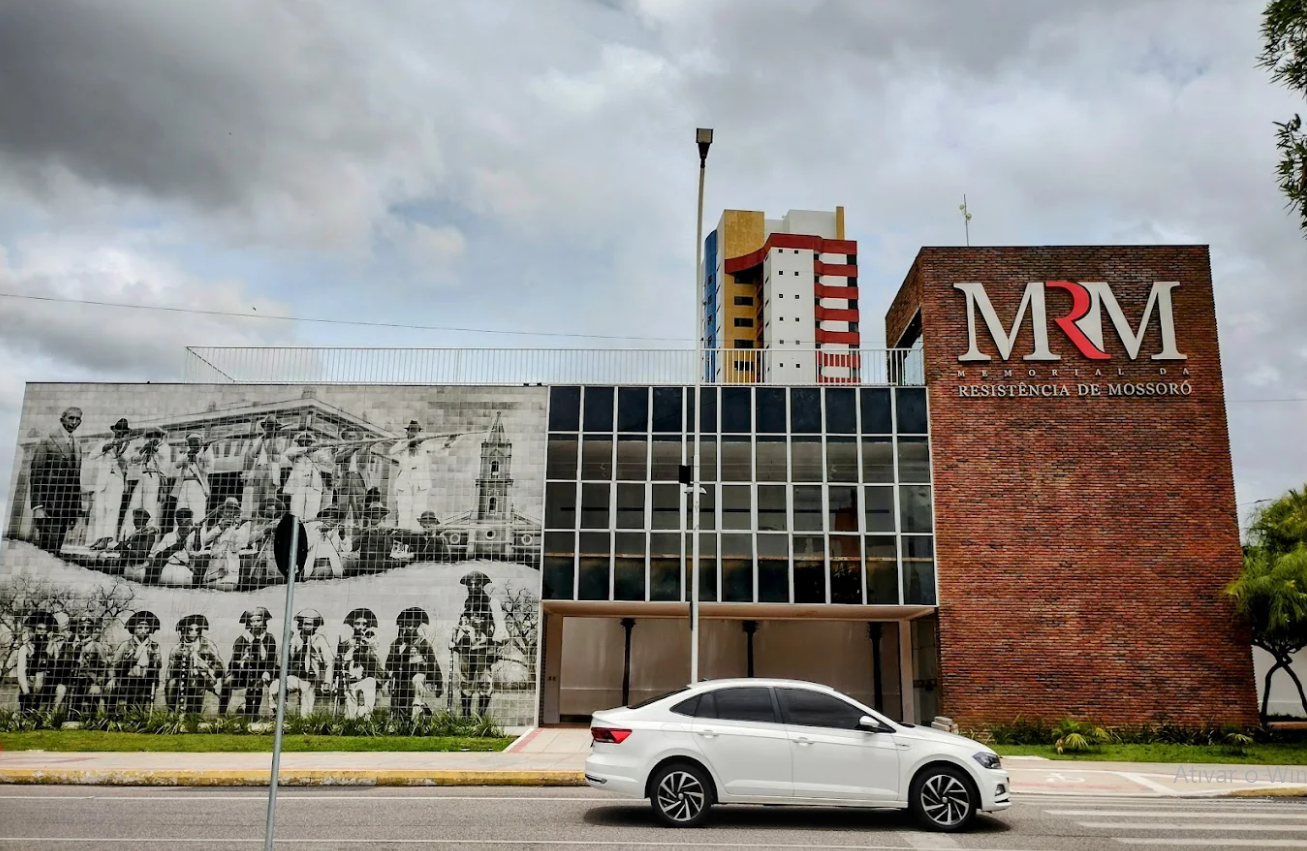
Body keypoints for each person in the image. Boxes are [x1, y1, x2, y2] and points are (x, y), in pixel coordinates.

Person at [450, 571, 507, 718]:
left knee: (485, 682)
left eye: (477, 584)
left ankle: (480, 718)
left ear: (483, 585)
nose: (473, 587)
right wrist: (452, 639)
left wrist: (496, 644)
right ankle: (466, 715)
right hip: (465, 648)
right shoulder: (463, 604)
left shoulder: (491, 603)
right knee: (466, 681)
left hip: (484, 647)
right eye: (470, 584)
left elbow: (500, 625)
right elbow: (455, 624)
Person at [29, 407, 84, 552]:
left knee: (55, 550)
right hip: (49, 506)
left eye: (78, 419)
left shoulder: (77, 446)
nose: (74, 422)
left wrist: (75, 510)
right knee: (46, 550)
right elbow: (36, 474)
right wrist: (37, 506)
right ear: (62, 419)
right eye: (71, 418)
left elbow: (75, 480)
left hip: (66, 509)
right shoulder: (48, 440)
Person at [386, 608, 442, 719]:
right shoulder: (397, 643)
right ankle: (401, 719)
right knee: (401, 706)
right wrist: (402, 652)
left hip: (419, 675)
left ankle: (416, 719)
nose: (411, 628)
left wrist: (438, 682)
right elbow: (390, 663)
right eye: (408, 625)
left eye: (414, 625)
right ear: (404, 626)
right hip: (401, 678)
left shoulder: (422, 642)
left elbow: (432, 662)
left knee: (417, 684)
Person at [85, 418, 133, 549]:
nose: (119, 432)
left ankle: (106, 539)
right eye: (117, 429)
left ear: (125, 432)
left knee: (112, 509)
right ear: (114, 430)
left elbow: (129, 462)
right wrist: (109, 446)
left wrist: (120, 450)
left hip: (117, 480)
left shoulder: (128, 445)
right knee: (100, 509)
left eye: (122, 430)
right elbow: (91, 456)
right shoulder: (105, 443)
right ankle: (98, 538)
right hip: (103, 480)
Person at [222, 607, 277, 717]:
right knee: (227, 682)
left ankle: (253, 713)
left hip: (261, 672)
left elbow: (271, 659)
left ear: (264, 621)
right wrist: (242, 660)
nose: (255, 624)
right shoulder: (242, 639)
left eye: (258, 621)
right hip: (243, 672)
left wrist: (267, 671)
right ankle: (221, 713)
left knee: (259, 685)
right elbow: (234, 660)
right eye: (252, 621)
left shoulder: (269, 639)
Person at [277, 609, 333, 717]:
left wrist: (327, 681)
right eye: (303, 623)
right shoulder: (295, 638)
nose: (306, 627)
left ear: (314, 625)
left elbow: (329, 661)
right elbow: (284, 657)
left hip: (310, 677)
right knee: (277, 689)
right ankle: (279, 715)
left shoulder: (319, 639)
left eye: (309, 624)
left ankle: (304, 726)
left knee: (306, 706)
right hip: (294, 675)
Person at [166, 614, 225, 715]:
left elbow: (220, 666)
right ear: (185, 630)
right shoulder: (178, 648)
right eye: (190, 630)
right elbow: (170, 670)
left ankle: (192, 716)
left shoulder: (207, 645)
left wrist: (207, 670)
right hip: (181, 678)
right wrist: (179, 665)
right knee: (171, 684)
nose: (193, 633)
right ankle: (171, 714)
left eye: (196, 630)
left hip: (201, 678)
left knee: (196, 685)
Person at [55, 614, 110, 718]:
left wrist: (98, 681)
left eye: (88, 628)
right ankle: (57, 719)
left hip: (88, 680)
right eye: (81, 627)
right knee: (60, 692)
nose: (84, 630)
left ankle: (91, 719)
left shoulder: (96, 646)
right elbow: (61, 663)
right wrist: (71, 650)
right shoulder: (68, 644)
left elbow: (103, 666)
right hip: (70, 680)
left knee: (95, 692)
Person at [109, 610, 163, 713]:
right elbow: (115, 664)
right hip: (127, 679)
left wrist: (154, 657)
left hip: (146, 680)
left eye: (146, 628)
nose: (143, 630)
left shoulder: (154, 646)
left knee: (140, 697)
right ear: (134, 629)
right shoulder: (126, 645)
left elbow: (159, 665)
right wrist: (133, 657)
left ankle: (137, 717)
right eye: (140, 627)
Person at [335, 608, 383, 718]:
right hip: (351, 679)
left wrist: (367, 646)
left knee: (369, 698)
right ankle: (353, 723)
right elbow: (343, 660)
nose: (360, 627)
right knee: (350, 713)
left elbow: (376, 660)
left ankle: (367, 718)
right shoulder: (347, 643)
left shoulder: (373, 642)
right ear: (353, 625)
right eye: (357, 623)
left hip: (367, 678)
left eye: (363, 624)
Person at [389, 421, 434, 530]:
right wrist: (408, 443)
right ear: (407, 432)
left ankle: (415, 540)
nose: (413, 434)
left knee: (418, 513)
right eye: (411, 431)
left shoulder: (424, 446)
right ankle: (402, 540)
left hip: (421, 482)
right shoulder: (402, 444)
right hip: (405, 481)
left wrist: (449, 441)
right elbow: (391, 451)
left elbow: (439, 449)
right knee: (404, 513)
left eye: (416, 431)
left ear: (419, 433)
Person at [16, 611, 61, 713]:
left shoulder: (52, 647)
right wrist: (25, 690)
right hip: (30, 682)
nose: (42, 632)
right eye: (39, 629)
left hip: (47, 684)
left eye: (45, 629)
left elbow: (57, 664)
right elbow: (21, 670)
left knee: (43, 711)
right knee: (27, 712)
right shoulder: (26, 648)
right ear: (34, 629)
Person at [203, 498, 249, 590]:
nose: (228, 514)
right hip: (213, 570)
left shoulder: (241, 529)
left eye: (232, 511)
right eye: (226, 511)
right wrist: (220, 528)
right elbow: (205, 541)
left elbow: (236, 548)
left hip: (229, 572)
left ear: (236, 513)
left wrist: (236, 530)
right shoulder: (217, 526)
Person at [333, 430, 378, 525]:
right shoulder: (344, 448)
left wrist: (368, 448)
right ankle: (340, 530)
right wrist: (351, 449)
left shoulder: (362, 449)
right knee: (342, 507)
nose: (351, 438)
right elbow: (337, 460)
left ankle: (358, 530)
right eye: (349, 436)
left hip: (358, 478)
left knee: (359, 507)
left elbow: (363, 465)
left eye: (353, 436)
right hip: (345, 478)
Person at [283, 431, 331, 521]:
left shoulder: (318, 453)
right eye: (302, 441)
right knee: (295, 512)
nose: (305, 442)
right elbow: (288, 454)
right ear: (298, 442)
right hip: (298, 486)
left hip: (313, 485)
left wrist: (332, 452)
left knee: (312, 513)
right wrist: (308, 449)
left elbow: (328, 463)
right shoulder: (294, 450)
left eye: (308, 441)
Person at [243, 417, 286, 513]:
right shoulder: (260, 440)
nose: (268, 429)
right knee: (256, 496)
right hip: (259, 469)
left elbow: (275, 452)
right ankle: (256, 517)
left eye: (271, 427)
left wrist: (272, 438)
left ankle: (267, 516)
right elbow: (252, 454)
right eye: (267, 427)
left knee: (268, 496)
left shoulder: (280, 440)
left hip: (270, 470)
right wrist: (262, 440)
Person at [171, 433, 213, 520]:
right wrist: (189, 454)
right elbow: (177, 465)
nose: (194, 445)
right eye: (191, 443)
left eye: (196, 443)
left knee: (197, 512)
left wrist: (199, 454)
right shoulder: (186, 454)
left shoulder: (205, 453)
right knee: (180, 511)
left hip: (197, 485)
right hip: (184, 485)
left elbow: (209, 465)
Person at [305, 505, 344, 580]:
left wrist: (343, 536)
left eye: (335, 519)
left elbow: (347, 549)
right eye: (330, 518)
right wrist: (319, 531)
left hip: (333, 570)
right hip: (314, 569)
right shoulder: (313, 529)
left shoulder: (336, 532)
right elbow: (306, 545)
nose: (333, 522)